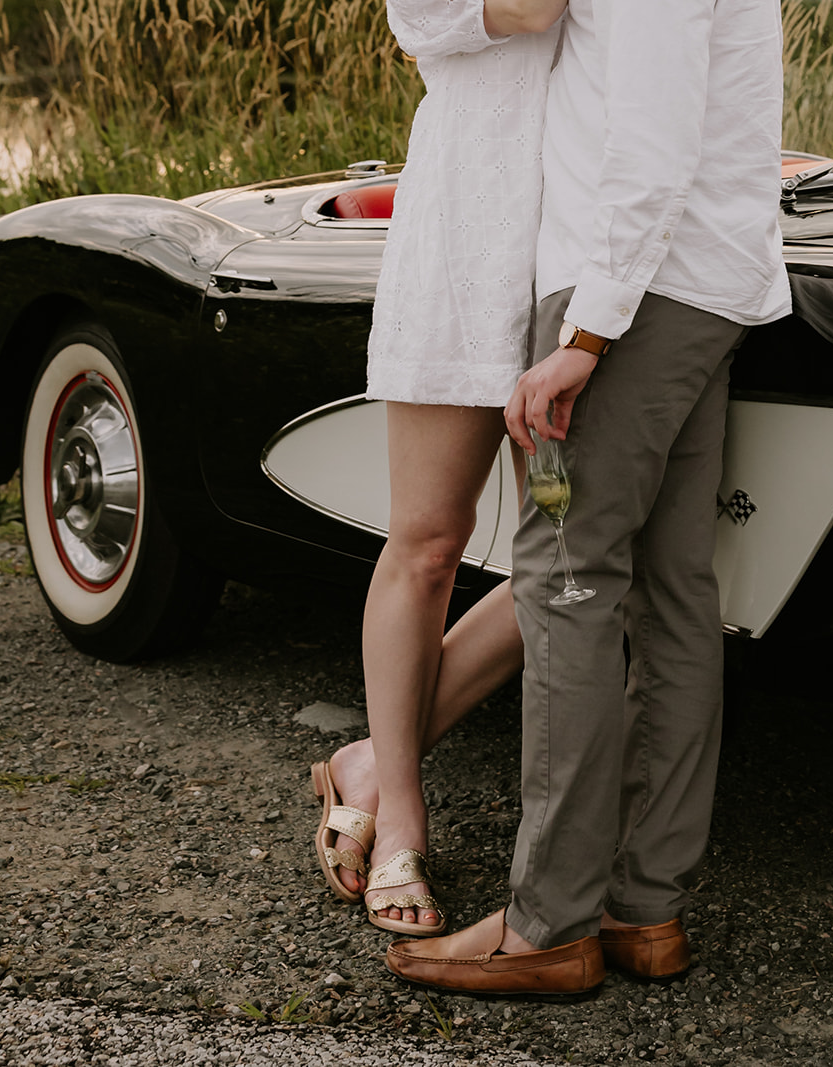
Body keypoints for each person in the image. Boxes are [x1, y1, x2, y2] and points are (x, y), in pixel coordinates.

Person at [384, 0, 792, 994]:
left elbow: (648, 136)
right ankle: (642, 907)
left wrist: (588, 334)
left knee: (566, 582)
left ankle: (548, 924)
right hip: (701, 280)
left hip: (633, 293)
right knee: (672, 591)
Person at [310, 0, 567, 938]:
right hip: (470, 235)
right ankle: (401, 820)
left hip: (590, 255)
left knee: (579, 552)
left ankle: (372, 763)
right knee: (427, 544)